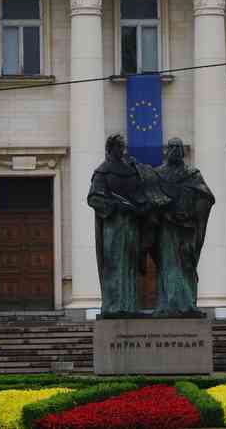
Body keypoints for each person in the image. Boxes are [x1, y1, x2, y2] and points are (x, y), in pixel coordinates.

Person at [87, 134, 168, 316]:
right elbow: (94, 197)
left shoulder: (132, 170)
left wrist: (141, 207)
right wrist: (115, 205)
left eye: (123, 147)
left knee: (131, 263)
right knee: (115, 264)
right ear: (110, 148)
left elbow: (140, 193)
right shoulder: (103, 171)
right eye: (118, 147)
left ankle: (130, 305)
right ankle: (115, 306)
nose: (121, 150)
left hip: (132, 224)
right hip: (114, 226)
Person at [153, 137, 214, 317]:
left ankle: (187, 304)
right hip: (166, 226)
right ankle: (167, 304)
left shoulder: (193, 174)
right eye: (171, 147)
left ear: (182, 151)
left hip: (187, 227)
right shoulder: (157, 174)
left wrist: (193, 212)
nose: (174, 151)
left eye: (177, 147)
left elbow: (206, 197)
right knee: (167, 263)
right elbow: (151, 198)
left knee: (187, 263)